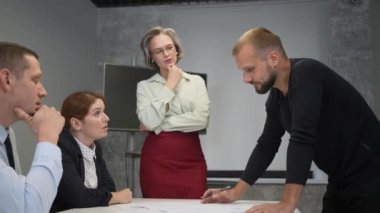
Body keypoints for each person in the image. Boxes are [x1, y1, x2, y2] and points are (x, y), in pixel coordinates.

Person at [201, 27, 380, 213]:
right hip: (340, 179)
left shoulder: (307, 73)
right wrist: (236, 192)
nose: (246, 79)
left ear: (273, 58)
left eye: (250, 69)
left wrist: (287, 203)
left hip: (372, 176)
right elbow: (267, 145)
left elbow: (302, 138)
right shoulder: (277, 98)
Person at [137, 26, 211, 198]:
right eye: (158, 51)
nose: (166, 54)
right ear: (152, 57)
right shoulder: (144, 87)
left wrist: (159, 124)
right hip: (156, 163)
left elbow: (201, 120)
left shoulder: (196, 82)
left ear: (176, 49)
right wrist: (169, 85)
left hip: (192, 161)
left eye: (169, 48)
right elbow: (148, 121)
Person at [0, 42, 65, 213]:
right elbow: (30, 209)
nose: (43, 92)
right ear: (6, 79)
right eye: (35, 80)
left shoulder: (7, 134)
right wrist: (48, 138)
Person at [51, 91, 132, 212]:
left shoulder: (95, 147)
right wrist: (116, 197)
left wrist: (92, 196)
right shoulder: (60, 147)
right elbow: (78, 198)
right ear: (76, 123)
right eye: (97, 113)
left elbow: (109, 186)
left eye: (103, 111)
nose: (106, 118)